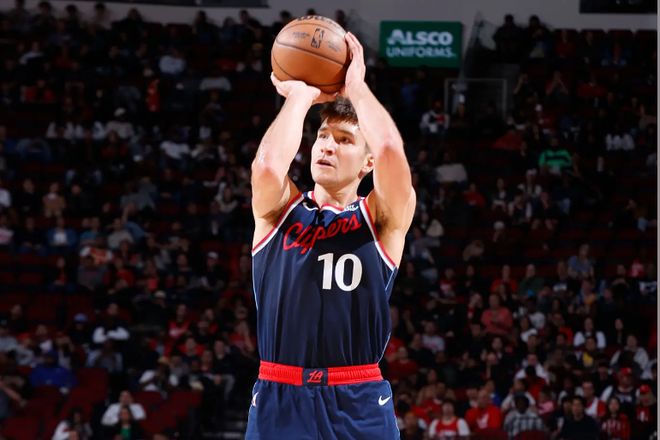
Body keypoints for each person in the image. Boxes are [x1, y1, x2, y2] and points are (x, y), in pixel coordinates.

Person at [246, 32, 415, 439]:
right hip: (280, 391)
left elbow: (391, 151)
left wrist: (355, 87)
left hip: (357, 396)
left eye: (343, 140)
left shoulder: (381, 218)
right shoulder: (279, 211)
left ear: (367, 162)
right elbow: (266, 167)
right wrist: (301, 96)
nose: (327, 146)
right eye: (323, 136)